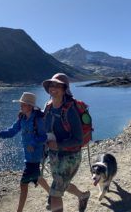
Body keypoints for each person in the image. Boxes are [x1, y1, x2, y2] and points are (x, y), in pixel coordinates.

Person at [0, 92, 50, 212]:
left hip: (35, 156)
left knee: (23, 183)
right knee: (37, 177)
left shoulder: (38, 119)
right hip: (28, 156)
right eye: (21, 104)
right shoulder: (22, 118)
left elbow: (44, 137)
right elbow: (11, 131)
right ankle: (52, 195)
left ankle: (19, 210)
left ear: (30, 106)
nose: (20, 106)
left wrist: (33, 143)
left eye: (23, 104)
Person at [42, 73, 90, 212]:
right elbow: (43, 124)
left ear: (64, 89)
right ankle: (83, 195)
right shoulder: (48, 107)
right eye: (51, 85)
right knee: (62, 184)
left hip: (70, 156)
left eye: (57, 85)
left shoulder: (70, 110)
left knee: (55, 192)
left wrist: (58, 145)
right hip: (54, 154)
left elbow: (78, 139)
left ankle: (75, 198)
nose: (53, 88)